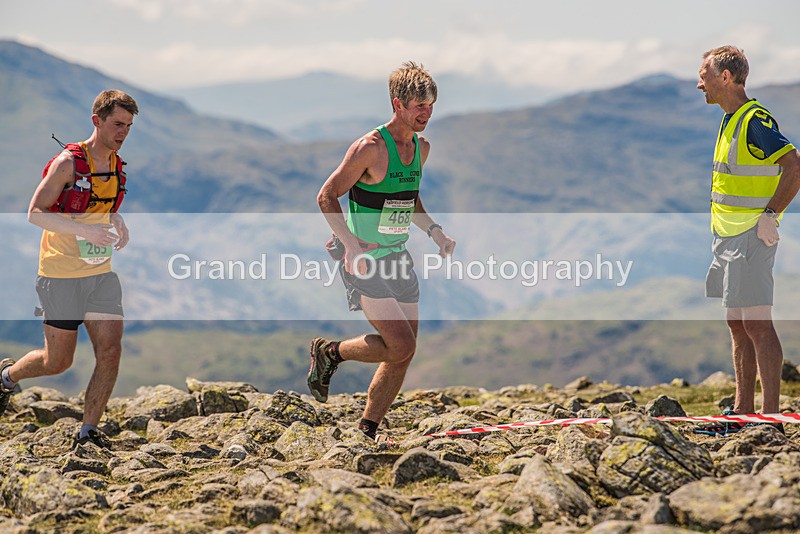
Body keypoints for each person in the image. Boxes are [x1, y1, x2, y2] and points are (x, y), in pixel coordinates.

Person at [308, 61, 456, 443]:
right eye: (419, 105)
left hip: (398, 256)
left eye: (431, 106)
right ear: (398, 104)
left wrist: (435, 231)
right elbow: (326, 196)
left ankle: (367, 430)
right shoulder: (370, 148)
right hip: (364, 260)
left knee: (404, 352)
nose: (426, 113)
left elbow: (409, 199)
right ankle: (331, 352)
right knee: (400, 343)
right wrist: (351, 245)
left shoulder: (421, 149)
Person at [0, 90, 139, 448]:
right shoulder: (68, 163)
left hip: (100, 274)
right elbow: (35, 212)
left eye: (128, 126)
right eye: (117, 124)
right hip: (60, 275)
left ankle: (88, 431)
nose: (123, 132)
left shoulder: (115, 165)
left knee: (110, 350)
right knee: (57, 361)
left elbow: (98, 206)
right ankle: (7, 375)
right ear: (97, 121)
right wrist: (85, 230)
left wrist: (116, 220)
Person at [694, 46, 800, 436]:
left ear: (725, 77)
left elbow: (795, 166)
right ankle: (743, 411)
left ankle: (769, 418)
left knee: (756, 324)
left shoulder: (753, 121)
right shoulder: (730, 120)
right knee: (737, 323)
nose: (698, 82)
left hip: (751, 237)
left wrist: (770, 217)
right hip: (728, 239)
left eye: (704, 73)